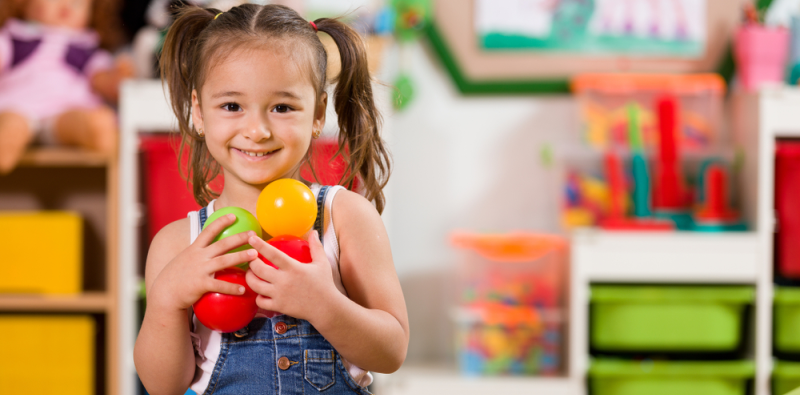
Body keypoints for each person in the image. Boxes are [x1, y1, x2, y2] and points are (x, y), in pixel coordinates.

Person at [133, 4, 409, 395]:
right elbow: (163, 386)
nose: (257, 130)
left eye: (282, 107)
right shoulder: (177, 243)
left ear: (317, 114)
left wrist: (325, 305)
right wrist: (166, 301)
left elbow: (392, 351)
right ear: (198, 111)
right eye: (232, 106)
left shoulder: (344, 218)